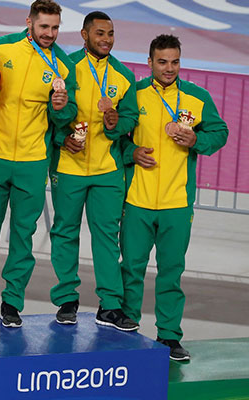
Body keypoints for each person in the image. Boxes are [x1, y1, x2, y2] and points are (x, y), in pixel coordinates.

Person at [120, 34, 228, 361]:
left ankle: (168, 336)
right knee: (131, 269)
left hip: (177, 204)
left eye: (175, 61)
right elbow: (115, 136)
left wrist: (195, 138)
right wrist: (131, 151)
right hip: (137, 199)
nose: (169, 68)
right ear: (150, 62)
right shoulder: (134, 94)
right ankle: (126, 327)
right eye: (163, 61)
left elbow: (219, 132)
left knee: (171, 271)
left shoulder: (197, 97)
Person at [0, 0, 77, 327]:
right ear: (29, 22)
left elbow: (65, 118)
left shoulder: (63, 64)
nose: (49, 33)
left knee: (23, 235)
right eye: (44, 26)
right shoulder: (2, 49)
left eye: (55, 27)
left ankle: (12, 302)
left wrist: (62, 107)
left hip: (33, 162)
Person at [49, 11, 139, 331]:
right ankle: (67, 300)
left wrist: (117, 125)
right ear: (84, 35)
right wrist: (62, 139)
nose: (106, 39)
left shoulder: (124, 76)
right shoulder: (66, 67)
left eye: (111, 34)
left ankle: (110, 306)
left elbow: (130, 120)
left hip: (108, 170)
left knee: (106, 238)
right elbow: (50, 113)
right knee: (65, 232)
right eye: (100, 33)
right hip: (69, 166)